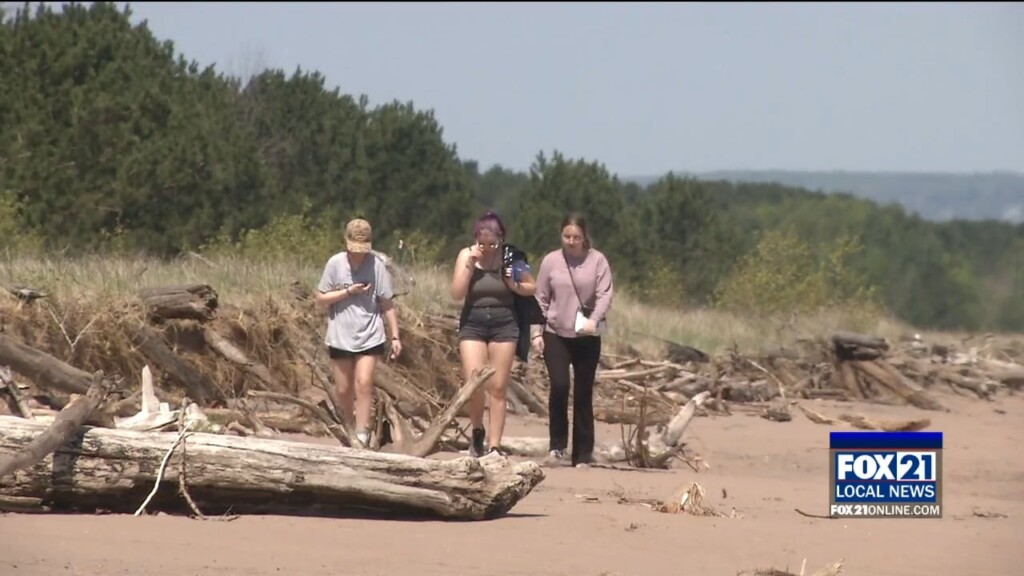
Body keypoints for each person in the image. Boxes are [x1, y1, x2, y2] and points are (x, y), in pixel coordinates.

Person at [451, 210, 537, 457]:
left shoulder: (511, 258)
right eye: (482, 242)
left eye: (492, 243)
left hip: (504, 323)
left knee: (498, 387)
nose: (487, 247)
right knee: (475, 382)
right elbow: (456, 293)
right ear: (475, 238)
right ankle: (477, 431)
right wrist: (470, 264)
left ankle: (495, 444)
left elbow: (532, 287)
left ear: (501, 238)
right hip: (473, 323)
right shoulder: (466, 255)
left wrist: (514, 285)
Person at [532, 212, 614, 467]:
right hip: (555, 333)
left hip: (586, 334)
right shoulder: (551, 261)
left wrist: (595, 319)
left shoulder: (598, 261)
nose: (570, 241)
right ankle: (557, 446)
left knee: (583, 392)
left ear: (584, 236)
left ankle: (583, 453)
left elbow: (605, 294)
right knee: (559, 386)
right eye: (566, 236)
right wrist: (536, 331)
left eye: (576, 237)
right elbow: (540, 298)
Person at [315, 218, 402, 448]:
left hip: (370, 334)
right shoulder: (334, 264)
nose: (358, 254)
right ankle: (348, 427)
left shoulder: (377, 266)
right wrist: (348, 291)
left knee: (364, 383)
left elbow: (387, 304)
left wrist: (395, 335)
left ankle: (362, 432)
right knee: (343, 389)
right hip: (340, 334)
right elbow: (321, 298)